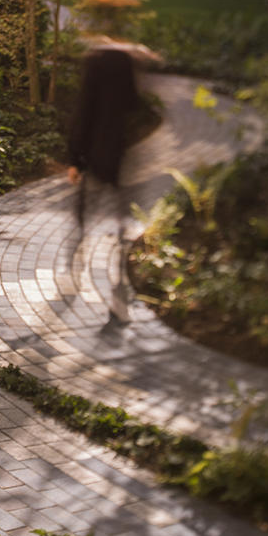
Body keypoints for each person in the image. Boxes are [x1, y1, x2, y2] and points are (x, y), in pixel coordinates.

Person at [67, 46, 157, 328]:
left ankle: (76, 268)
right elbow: (136, 110)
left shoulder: (95, 65)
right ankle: (120, 306)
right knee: (121, 233)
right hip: (124, 162)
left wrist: (75, 160)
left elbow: (84, 115)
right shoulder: (125, 70)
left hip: (95, 159)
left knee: (84, 216)